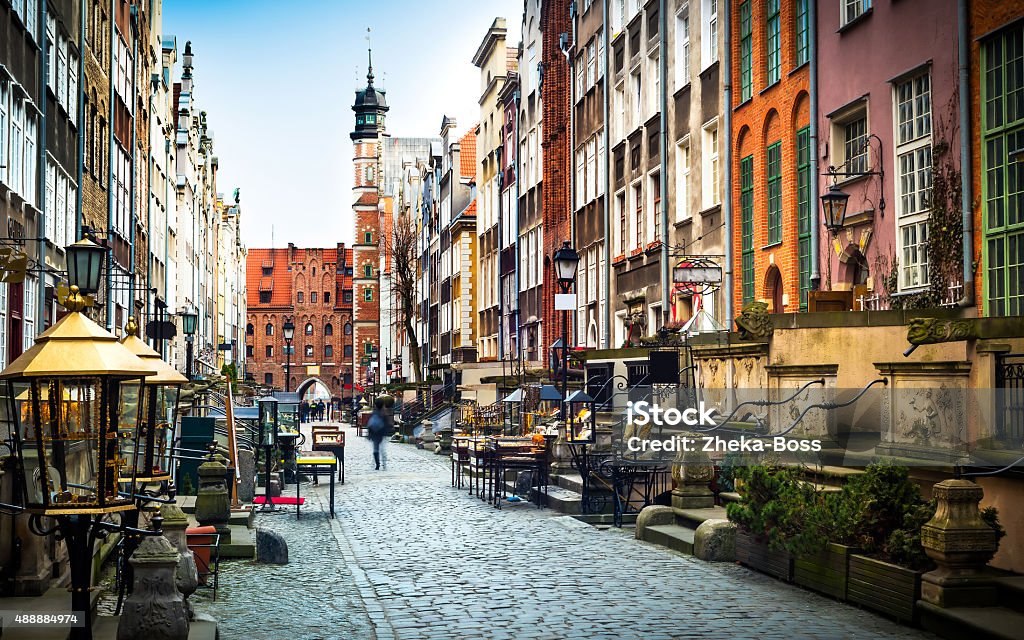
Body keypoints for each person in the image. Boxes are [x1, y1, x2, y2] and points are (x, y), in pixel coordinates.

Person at [366, 398, 393, 470]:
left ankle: (377, 464)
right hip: (381, 433)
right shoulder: (384, 413)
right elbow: (388, 424)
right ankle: (384, 464)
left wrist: (369, 434)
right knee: (383, 449)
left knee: (376, 449)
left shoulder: (374, 412)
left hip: (374, 433)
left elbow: (370, 423)